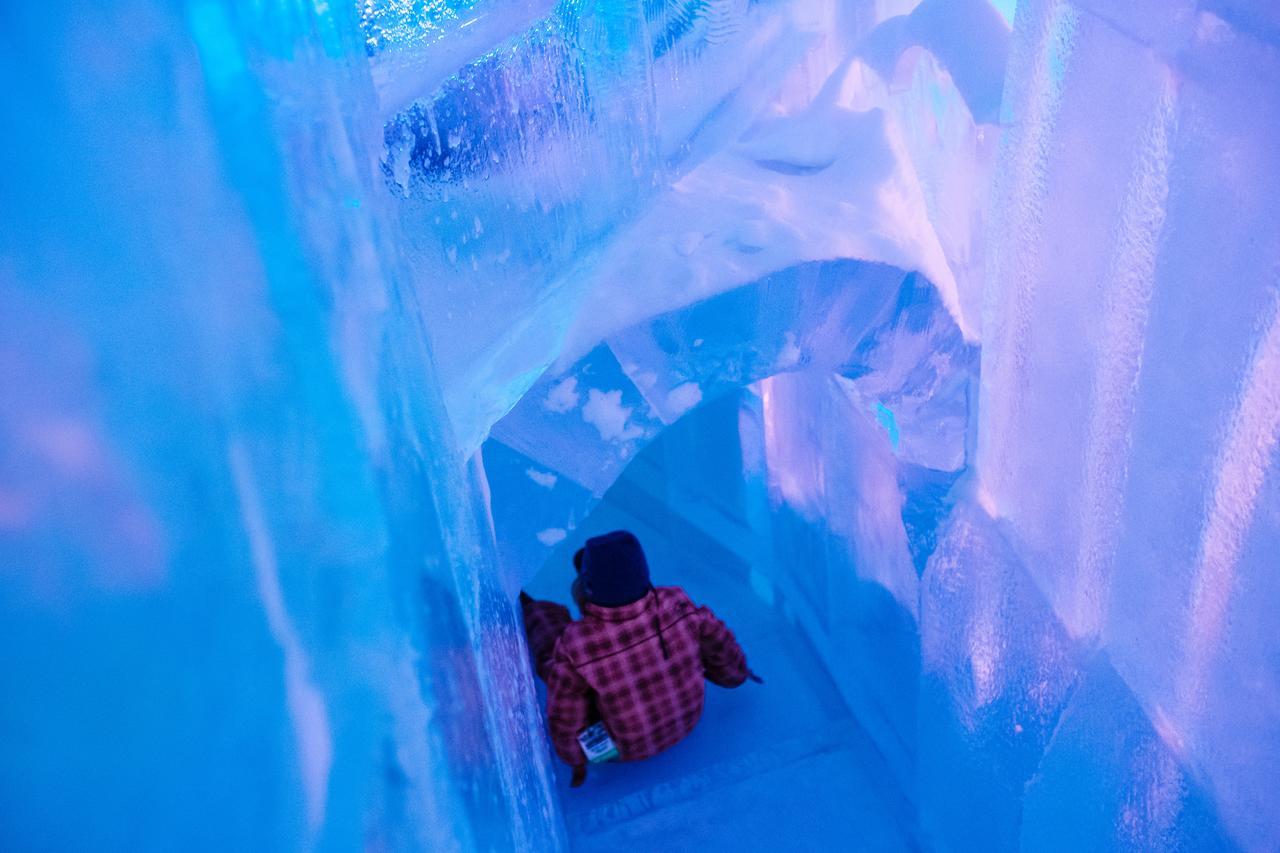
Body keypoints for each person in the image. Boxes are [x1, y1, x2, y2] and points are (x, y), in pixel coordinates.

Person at [520, 530, 758, 788]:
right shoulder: (679, 604)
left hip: (621, 751)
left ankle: (531, 608)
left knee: (553, 659)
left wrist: (575, 760)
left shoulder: (576, 644)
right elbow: (722, 649)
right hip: (688, 719)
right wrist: (736, 675)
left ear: (587, 588)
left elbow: (566, 718)